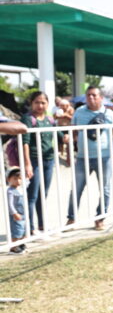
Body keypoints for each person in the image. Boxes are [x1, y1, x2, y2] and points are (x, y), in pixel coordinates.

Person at [66, 86, 113, 230]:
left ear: (101, 98)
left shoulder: (110, 114)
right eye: (88, 95)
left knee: (105, 189)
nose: (91, 98)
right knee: (76, 189)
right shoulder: (79, 112)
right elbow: (72, 134)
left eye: (94, 95)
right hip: (82, 157)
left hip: (104, 157)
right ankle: (71, 219)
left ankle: (100, 218)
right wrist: (69, 153)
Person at [21, 91, 59, 234]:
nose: (40, 105)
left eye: (43, 102)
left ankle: (42, 224)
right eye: (37, 102)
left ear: (48, 104)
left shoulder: (50, 119)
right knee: (32, 195)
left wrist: (67, 137)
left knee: (43, 194)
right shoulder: (27, 119)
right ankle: (30, 228)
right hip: (34, 160)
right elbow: (25, 143)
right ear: (31, 103)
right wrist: (27, 163)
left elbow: (58, 134)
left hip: (49, 161)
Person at [6, 166, 27, 254]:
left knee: (23, 230)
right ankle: (14, 247)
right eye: (15, 179)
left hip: (23, 214)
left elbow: (28, 180)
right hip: (16, 214)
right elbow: (10, 204)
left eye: (20, 179)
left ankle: (21, 244)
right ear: (9, 179)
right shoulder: (10, 191)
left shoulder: (21, 188)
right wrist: (14, 213)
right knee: (17, 230)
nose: (18, 181)